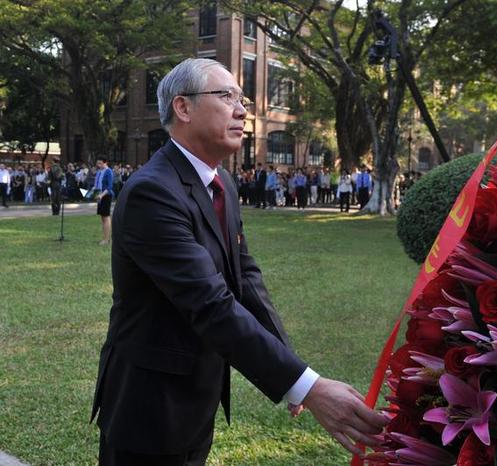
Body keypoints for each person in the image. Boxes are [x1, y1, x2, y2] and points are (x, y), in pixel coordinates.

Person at [91, 58, 386, 466]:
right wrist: (309, 388)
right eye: (226, 96)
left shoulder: (220, 181)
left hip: (198, 399)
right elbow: (210, 302)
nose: (242, 109)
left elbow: (245, 279)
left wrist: (290, 367)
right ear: (183, 107)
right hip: (150, 408)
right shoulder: (152, 193)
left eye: (241, 98)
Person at [93, 157, 114, 245]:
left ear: (105, 163)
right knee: (102, 217)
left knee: (106, 217)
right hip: (99, 196)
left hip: (105, 196)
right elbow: (96, 184)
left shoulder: (109, 171)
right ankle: (105, 238)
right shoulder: (99, 172)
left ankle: (106, 239)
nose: (99, 165)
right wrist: (94, 193)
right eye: (98, 163)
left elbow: (109, 187)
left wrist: (101, 195)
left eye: (100, 163)